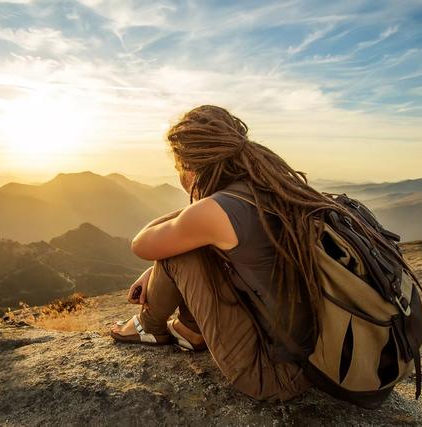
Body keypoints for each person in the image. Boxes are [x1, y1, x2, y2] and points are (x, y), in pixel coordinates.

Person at [110, 104, 335, 402]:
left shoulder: (221, 210)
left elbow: (142, 243)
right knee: (190, 243)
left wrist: (197, 205)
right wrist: (155, 271)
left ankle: (148, 327)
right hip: (318, 357)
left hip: (275, 375)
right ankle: (191, 329)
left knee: (178, 252)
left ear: (189, 167)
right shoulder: (272, 188)